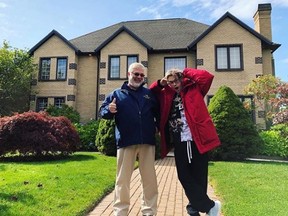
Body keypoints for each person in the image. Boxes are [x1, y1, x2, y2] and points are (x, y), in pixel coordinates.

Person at [150, 68, 221, 216]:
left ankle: (193, 208)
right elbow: (151, 92)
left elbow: (207, 76)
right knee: (184, 175)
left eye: (175, 81)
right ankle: (210, 206)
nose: (173, 84)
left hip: (197, 137)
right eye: (170, 82)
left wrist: (185, 71)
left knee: (199, 174)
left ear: (181, 79)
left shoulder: (195, 88)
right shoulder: (166, 94)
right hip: (179, 138)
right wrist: (160, 83)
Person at [99, 62, 159, 216]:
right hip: (126, 142)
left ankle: (149, 211)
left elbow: (158, 113)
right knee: (123, 181)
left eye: (141, 75)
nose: (138, 77)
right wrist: (109, 109)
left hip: (147, 142)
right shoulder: (116, 94)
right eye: (135, 74)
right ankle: (120, 212)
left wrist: (158, 128)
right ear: (128, 74)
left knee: (149, 180)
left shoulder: (148, 94)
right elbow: (103, 111)